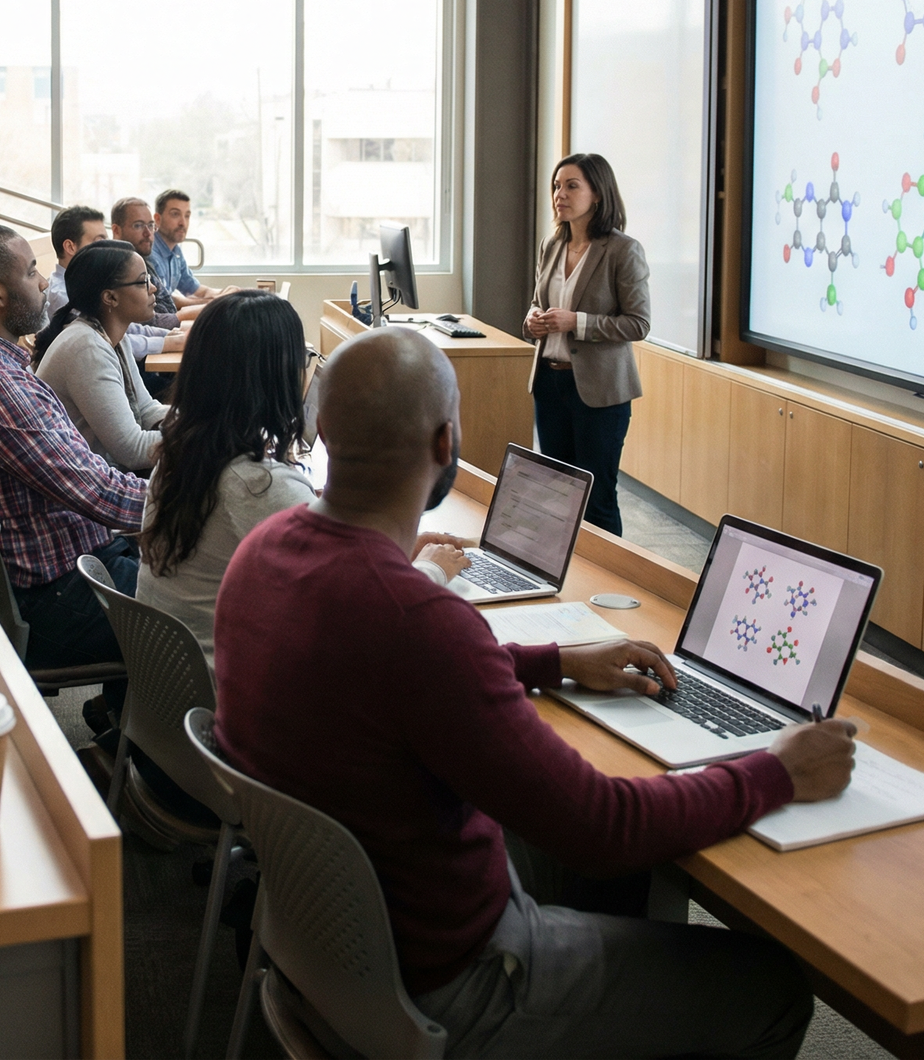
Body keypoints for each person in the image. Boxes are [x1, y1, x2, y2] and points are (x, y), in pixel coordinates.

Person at [214, 328, 856, 1060]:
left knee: (590, 872)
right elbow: (603, 827)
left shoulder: (261, 553)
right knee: (768, 988)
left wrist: (552, 662)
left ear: (320, 430)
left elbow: (385, 674)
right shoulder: (416, 621)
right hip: (459, 982)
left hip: (329, 950)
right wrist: (779, 771)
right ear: (445, 440)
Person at [0, 224, 146, 682]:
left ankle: (124, 721)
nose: (45, 282)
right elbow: (100, 493)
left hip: (63, 570)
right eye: (32, 271)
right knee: (213, 601)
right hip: (57, 598)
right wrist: (201, 503)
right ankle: (152, 746)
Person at [137, 290, 315, 662]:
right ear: (276, 374)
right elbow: (358, 610)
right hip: (234, 704)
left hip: (178, 697)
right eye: (304, 358)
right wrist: (430, 568)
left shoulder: (182, 454)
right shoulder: (262, 487)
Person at [524, 152, 651, 535]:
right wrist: (533, 319)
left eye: (571, 186)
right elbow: (538, 301)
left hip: (600, 393)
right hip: (550, 383)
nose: (559, 194)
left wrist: (575, 322)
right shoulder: (552, 245)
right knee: (557, 495)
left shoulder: (623, 251)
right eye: (556, 186)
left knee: (597, 500)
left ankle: (607, 588)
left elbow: (638, 323)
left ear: (597, 194)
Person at [34, 240, 168, 472]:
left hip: (108, 470)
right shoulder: (87, 348)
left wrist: (201, 419)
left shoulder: (112, 335)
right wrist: (204, 438)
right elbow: (132, 450)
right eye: (143, 281)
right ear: (110, 298)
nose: (153, 288)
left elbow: (146, 410)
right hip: (91, 481)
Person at [48, 204, 180, 367]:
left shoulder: (93, 283)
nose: (108, 248)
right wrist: (169, 343)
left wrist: (171, 336)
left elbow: (128, 329)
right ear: (70, 247)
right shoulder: (63, 294)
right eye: (100, 242)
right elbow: (109, 340)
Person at [112, 196, 185, 325]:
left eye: (151, 225)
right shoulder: (117, 269)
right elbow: (147, 322)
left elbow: (166, 306)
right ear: (116, 230)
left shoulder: (144, 262)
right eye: (138, 226)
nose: (148, 233)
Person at [151, 188, 225, 307]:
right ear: (158, 219)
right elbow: (167, 301)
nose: (183, 223)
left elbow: (195, 289)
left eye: (187, 216)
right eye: (175, 214)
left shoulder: (176, 251)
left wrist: (228, 293)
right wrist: (216, 302)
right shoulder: (151, 254)